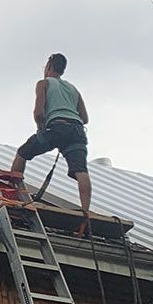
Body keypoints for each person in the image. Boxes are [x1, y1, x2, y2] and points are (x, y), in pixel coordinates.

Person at [10, 53, 92, 216]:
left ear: (49, 66)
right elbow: (85, 118)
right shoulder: (73, 89)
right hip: (76, 130)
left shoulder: (43, 83)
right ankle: (85, 212)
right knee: (81, 170)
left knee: (22, 153)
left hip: (56, 127)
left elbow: (38, 112)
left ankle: (13, 191)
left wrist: (41, 129)